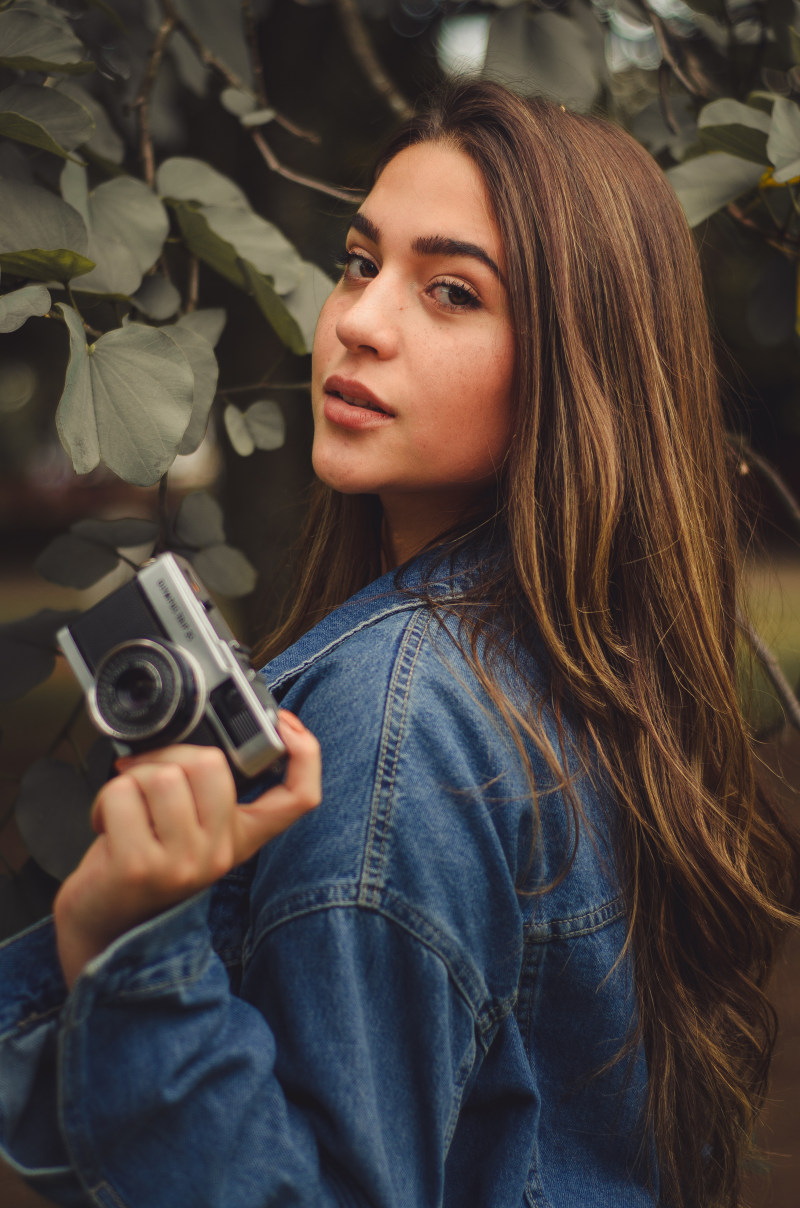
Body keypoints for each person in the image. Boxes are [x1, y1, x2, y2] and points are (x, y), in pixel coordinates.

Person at [0, 79, 798, 1208]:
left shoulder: (397, 716)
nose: (360, 320)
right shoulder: (579, 675)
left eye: (451, 291)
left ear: (578, 368)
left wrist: (130, 945)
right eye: (361, 262)